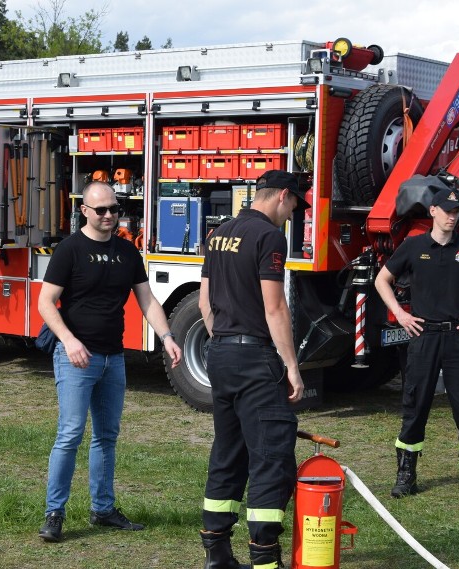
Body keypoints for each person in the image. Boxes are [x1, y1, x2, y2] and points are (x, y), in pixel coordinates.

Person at [37, 181, 182, 543]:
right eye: (100, 210)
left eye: (113, 209)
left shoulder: (127, 252)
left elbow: (147, 300)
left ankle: (103, 509)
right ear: (84, 211)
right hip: (76, 359)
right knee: (70, 434)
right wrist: (69, 341)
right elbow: (45, 302)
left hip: (113, 359)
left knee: (107, 436)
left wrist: (167, 337)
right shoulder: (69, 250)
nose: (108, 216)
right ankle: (54, 513)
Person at [198, 170, 308, 569]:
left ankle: (217, 552)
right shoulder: (268, 237)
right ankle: (264, 559)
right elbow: (274, 307)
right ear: (282, 195)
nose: (293, 214)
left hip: (221, 355)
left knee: (228, 451)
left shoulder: (220, 232)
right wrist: (292, 367)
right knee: (271, 456)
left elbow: (205, 302)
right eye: (294, 204)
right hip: (255, 359)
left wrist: (223, 341)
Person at [374, 188, 459, 504]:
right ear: (432, 211)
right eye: (447, 210)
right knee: (416, 406)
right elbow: (382, 280)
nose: (452, 216)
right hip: (424, 337)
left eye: (456, 211)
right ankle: (406, 476)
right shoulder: (414, 246)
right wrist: (402, 315)